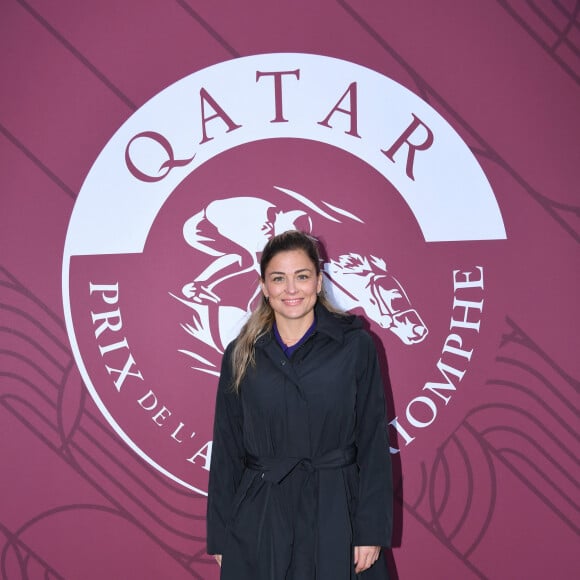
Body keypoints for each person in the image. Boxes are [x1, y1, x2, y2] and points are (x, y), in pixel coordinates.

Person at [206, 230, 393, 579]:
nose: (291, 289)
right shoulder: (241, 353)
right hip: (261, 514)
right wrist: (220, 536)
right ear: (264, 287)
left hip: (338, 509)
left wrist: (370, 530)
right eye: (279, 278)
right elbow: (226, 449)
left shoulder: (355, 346)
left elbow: (372, 442)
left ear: (319, 282)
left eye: (302, 276)